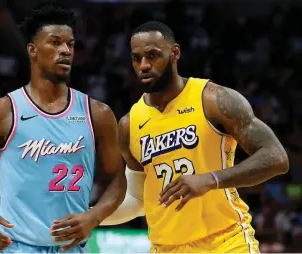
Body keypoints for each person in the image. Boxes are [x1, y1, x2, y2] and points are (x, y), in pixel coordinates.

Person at [101, 21, 289, 253]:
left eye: (152, 55)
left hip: (226, 242)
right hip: (166, 248)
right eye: (136, 58)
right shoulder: (129, 125)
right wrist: (89, 217)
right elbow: (138, 200)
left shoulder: (213, 100)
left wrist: (210, 179)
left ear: (175, 53)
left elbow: (277, 158)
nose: (144, 65)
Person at [0, 6, 126, 253]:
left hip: (72, 247)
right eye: (55, 43)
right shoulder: (1, 111)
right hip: (16, 246)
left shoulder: (97, 113)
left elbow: (117, 180)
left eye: (71, 44)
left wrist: (95, 216)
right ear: (32, 51)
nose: (65, 50)